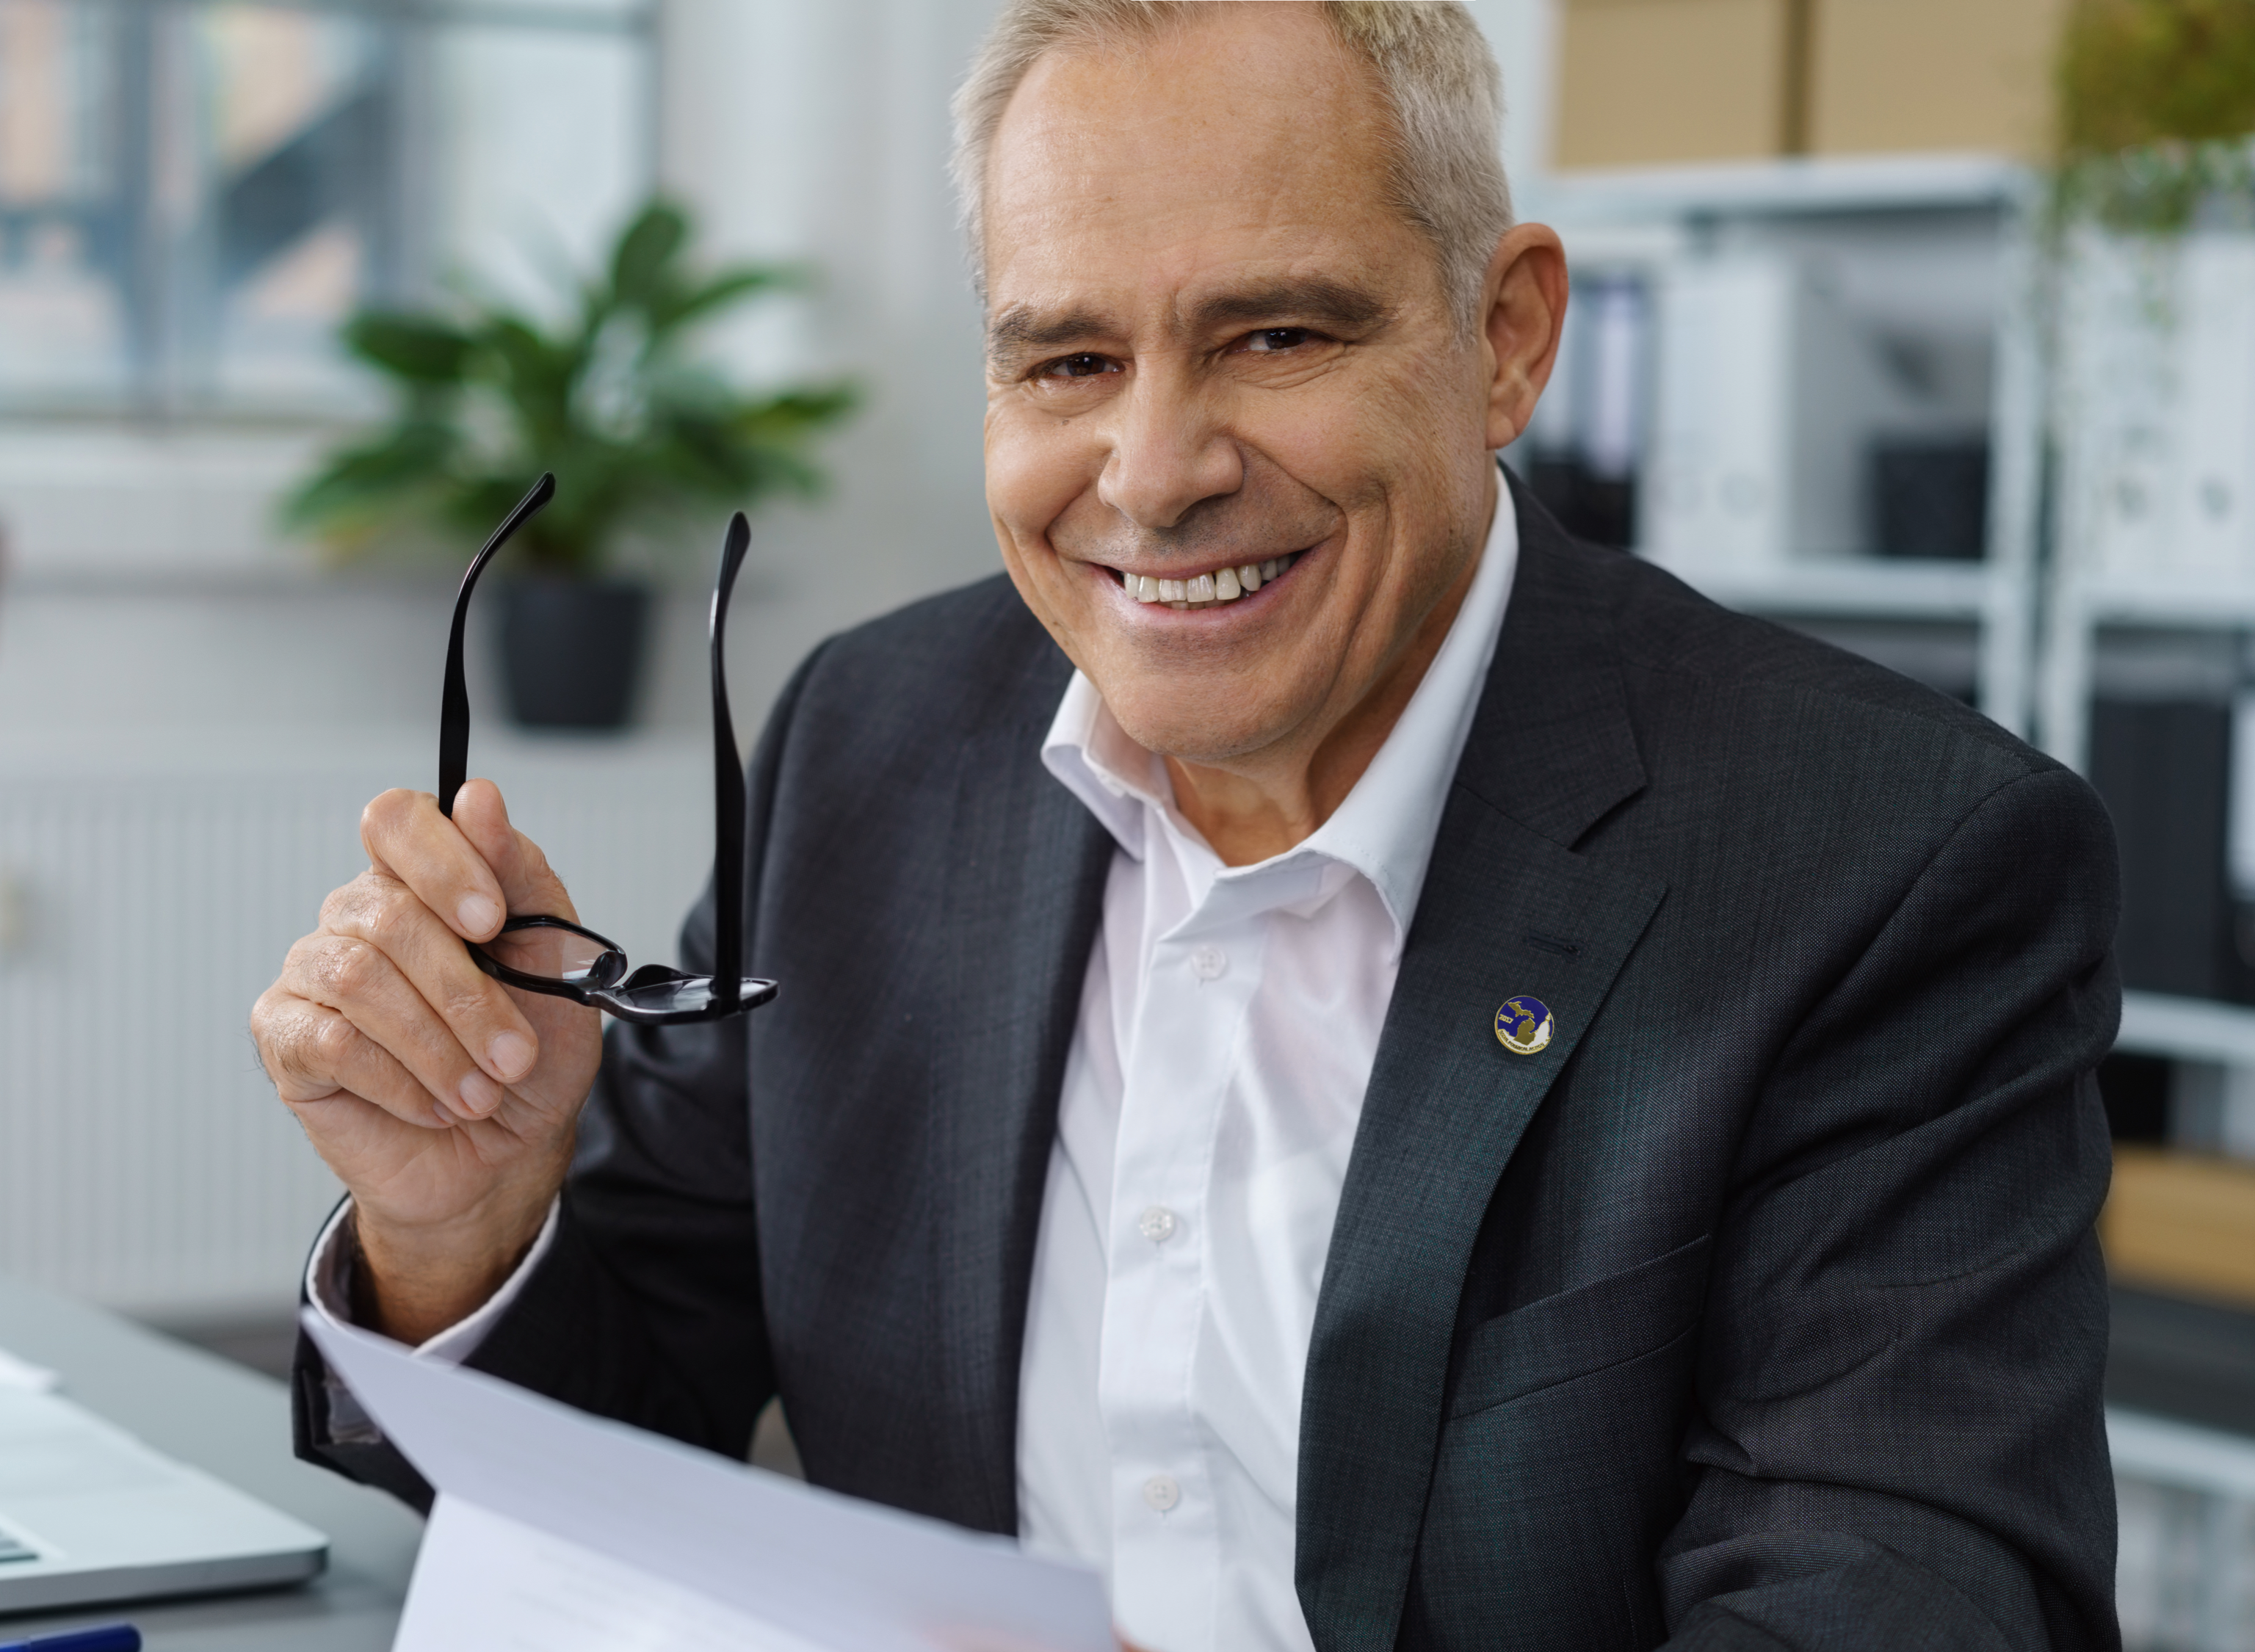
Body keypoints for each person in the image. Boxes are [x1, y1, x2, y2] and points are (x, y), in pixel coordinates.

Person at [249, 4, 2122, 1648]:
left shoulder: (1884, 863)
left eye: (1274, 334)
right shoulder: (871, 747)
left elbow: (1907, 1591)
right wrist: (461, 1228)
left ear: (1506, 338)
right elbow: (623, 1446)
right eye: (1065, 362)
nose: (1153, 474)